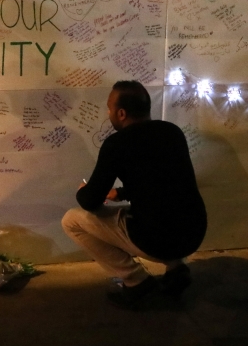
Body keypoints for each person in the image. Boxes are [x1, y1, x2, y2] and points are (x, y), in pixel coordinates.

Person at [61, 80, 207, 309]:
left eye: (109, 108)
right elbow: (164, 182)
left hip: (155, 240)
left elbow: (91, 202)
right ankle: (176, 269)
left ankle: (135, 281)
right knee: (163, 208)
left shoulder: (117, 144)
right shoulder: (172, 132)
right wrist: (120, 193)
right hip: (194, 231)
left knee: (71, 221)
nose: (108, 113)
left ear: (121, 113)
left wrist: (83, 191)